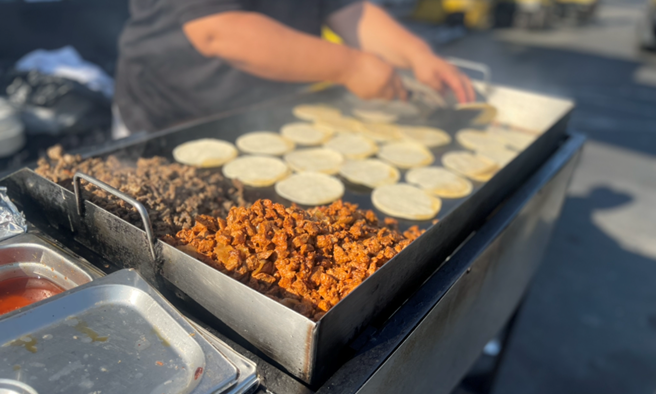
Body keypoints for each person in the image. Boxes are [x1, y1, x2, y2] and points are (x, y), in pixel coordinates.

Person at [113, 0, 475, 136]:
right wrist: (350, 66)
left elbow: (348, 9)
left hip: (269, 114)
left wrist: (416, 55)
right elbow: (218, 29)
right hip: (170, 118)